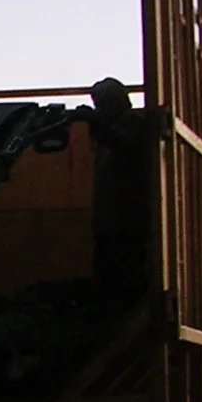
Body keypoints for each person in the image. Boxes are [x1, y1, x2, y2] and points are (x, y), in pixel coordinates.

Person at [73, 77, 156, 307]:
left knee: (122, 284)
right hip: (111, 226)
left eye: (101, 104)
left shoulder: (132, 122)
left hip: (126, 226)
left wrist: (93, 122)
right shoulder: (112, 130)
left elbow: (123, 144)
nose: (99, 110)